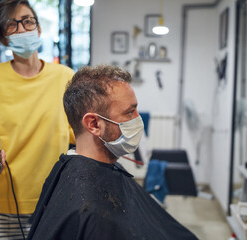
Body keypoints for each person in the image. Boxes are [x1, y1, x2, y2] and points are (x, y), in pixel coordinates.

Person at [27, 65, 198, 240]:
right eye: (130, 112)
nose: (138, 120)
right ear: (94, 124)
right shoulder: (91, 212)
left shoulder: (71, 167)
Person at [0, 0, 74, 239]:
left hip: (54, 197)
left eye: (28, 21)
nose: (22, 28)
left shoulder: (65, 77)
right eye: (12, 24)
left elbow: (75, 131)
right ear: (3, 36)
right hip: (4, 199)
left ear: (38, 29)